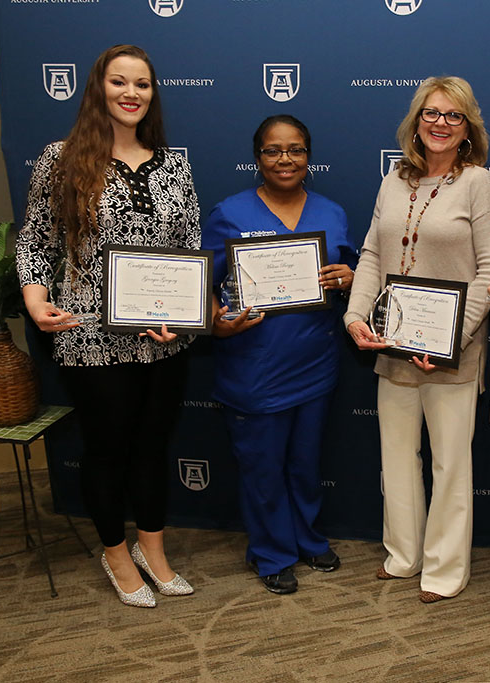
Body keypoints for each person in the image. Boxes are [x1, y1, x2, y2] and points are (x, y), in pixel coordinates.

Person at [16, 45, 198, 607]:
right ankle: (116, 553)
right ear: (98, 89)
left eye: (142, 84)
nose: (131, 93)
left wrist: (181, 315)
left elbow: (188, 250)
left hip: (162, 341)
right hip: (87, 332)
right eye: (119, 82)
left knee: (152, 446)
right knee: (107, 449)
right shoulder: (61, 158)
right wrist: (34, 299)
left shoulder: (174, 163)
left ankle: (153, 548)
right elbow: (35, 241)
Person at [344, 76, 490, 603]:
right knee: (396, 455)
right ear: (416, 122)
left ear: (468, 129)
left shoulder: (479, 184)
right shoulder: (394, 180)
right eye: (431, 114)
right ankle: (403, 554)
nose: (440, 124)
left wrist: (453, 339)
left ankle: (444, 569)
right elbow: (371, 254)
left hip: (452, 352)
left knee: (450, 463)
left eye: (453, 116)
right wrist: (354, 317)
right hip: (391, 346)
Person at [203, 115, 357, 595]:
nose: (285, 159)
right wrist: (216, 322)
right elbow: (200, 282)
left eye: (295, 149)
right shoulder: (229, 212)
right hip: (253, 365)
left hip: (313, 361)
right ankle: (271, 552)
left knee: (305, 464)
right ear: (257, 158)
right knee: (263, 468)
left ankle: (308, 539)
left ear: (309, 156)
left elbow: (351, 268)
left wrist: (348, 277)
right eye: (273, 150)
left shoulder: (332, 213)